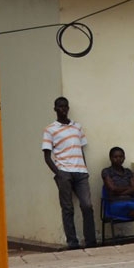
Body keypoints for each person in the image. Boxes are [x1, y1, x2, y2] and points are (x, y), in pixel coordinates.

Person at [42, 96, 97, 250]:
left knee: (87, 205)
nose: (63, 109)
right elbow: (47, 157)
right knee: (68, 208)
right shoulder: (50, 129)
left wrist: (84, 168)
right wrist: (58, 173)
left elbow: (81, 149)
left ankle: (91, 242)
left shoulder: (77, 127)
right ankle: (72, 243)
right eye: (60, 106)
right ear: (55, 109)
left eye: (66, 106)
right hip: (64, 172)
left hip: (80, 172)